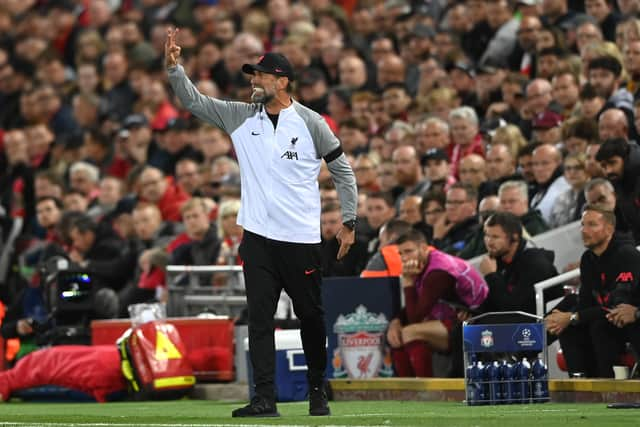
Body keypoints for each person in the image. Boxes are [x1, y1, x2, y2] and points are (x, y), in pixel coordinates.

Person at [166, 29, 357, 417]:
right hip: (256, 238)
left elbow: (343, 171)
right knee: (259, 319)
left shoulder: (310, 122)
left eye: (261, 75)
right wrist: (174, 68)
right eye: (252, 75)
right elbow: (193, 102)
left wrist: (349, 220)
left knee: (311, 316)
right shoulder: (240, 116)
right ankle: (263, 399)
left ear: (282, 81)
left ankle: (318, 391)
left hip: (301, 239)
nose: (253, 81)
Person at [545, 204, 640, 377]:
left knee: (598, 325)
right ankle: (579, 383)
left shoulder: (626, 254)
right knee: (568, 321)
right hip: (607, 317)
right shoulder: (588, 259)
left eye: (592, 225)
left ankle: (607, 387)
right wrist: (567, 318)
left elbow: (618, 305)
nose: (584, 230)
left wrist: (573, 317)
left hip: (629, 320)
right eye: (582, 224)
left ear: (609, 228)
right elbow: (585, 303)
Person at [386, 230, 488, 377]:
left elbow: (416, 317)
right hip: (453, 319)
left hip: (473, 323)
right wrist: (396, 322)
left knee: (410, 332)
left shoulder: (439, 271)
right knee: (397, 335)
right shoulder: (424, 264)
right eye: (401, 254)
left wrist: (408, 283)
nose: (404, 258)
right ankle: (407, 393)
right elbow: (419, 305)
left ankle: (426, 392)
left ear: (423, 248)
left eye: (408, 251)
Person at [478, 212, 559, 316]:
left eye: (495, 237)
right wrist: (474, 313)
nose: (489, 242)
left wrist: (491, 276)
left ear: (514, 237)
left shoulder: (535, 264)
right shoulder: (499, 260)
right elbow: (494, 303)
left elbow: (515, 311)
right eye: (487, 235)